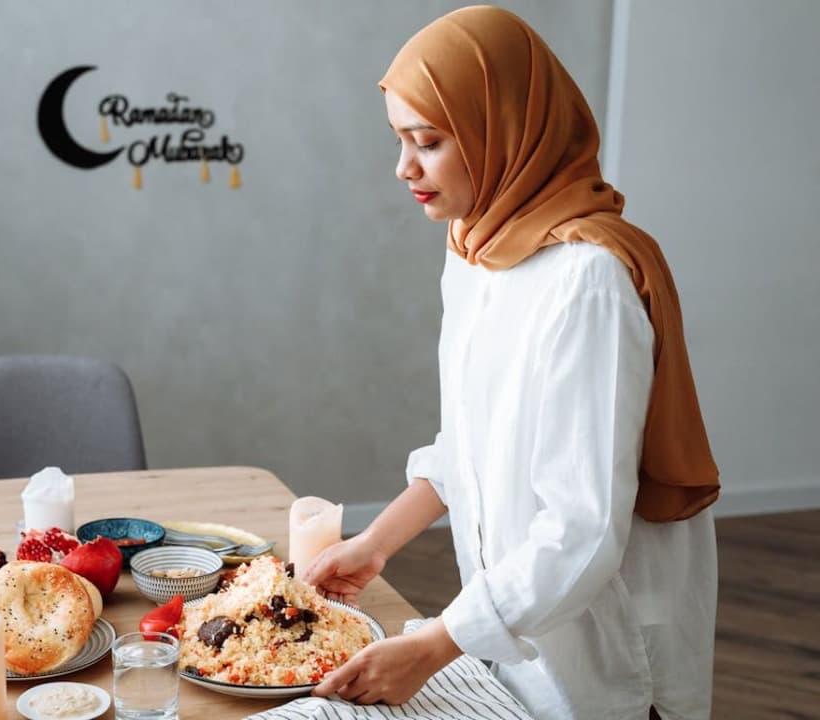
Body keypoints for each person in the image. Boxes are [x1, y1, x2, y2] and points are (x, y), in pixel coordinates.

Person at [302, 7, 720, 720]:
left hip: (607, 658)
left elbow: (582, 530)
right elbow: (474, 443)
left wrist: (434, 645)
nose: (404, 168)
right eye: (401, 141)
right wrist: (375, 543)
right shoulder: (475, 248)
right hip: (514, 637)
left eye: (428, 142)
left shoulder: (588, 280)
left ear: (502, 130)